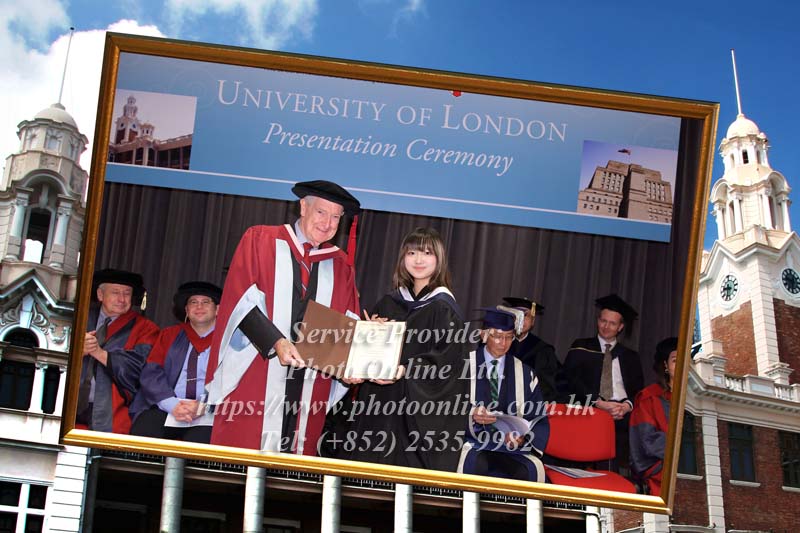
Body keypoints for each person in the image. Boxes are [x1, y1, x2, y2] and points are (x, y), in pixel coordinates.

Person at [205, 180, 361, 455]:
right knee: (244, 461)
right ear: (303, 207)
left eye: (336, 217)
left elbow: (347, 325)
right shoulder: (260, 240)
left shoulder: (340, 266)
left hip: (309, 385)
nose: (327, 223)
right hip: (259, 370)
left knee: (293, 466)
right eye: (321, 212)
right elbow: (239, 302)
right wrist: (276, 341)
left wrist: (357, 363)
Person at [324, 227, 470, 471]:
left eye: (427, 253)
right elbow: (364, 358)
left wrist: (404, 370)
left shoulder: (444, 309)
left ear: (439, 259)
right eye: (412, 253)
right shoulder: (389, 303)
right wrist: (369, 333)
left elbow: (447, 363)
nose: (418, 259)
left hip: (415, 415)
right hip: (379, 408)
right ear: (403, 258)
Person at [458, 308, 549, 482]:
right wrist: (471, 414)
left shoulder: (525, 373)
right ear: (484, 335)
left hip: (511, 447)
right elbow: (446, 404)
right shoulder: (463, 366)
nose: (504, 343)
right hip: (473, 441)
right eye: (498, 336)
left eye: (509, 337)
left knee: (530, 470)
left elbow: (538, 417)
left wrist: (523, 438)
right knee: (476, 465)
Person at [130, 281, 222, 443]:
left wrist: (204, 406)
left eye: (206, 302)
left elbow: (231, 382)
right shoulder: (169, 335)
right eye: (193, 302)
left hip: (208, 411)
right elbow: (151, 373)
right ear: (186, 310)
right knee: (144, 433)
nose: (199, 307)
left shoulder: (228, 341)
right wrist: (172, 405)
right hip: (168, 405)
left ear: (218, 309)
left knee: (200, 444)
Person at [561, 293, 644, 471]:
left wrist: (627, 406)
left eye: (612, 323)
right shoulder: (581, 347)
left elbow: (638, 390)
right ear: (598, 320)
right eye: (603, 321)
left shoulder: (630, 356)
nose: (606, 327)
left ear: (620, 327)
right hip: (589, 408)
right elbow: (570, 380)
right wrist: (598, 402)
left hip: (622, 414)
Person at [76, 269, 159, 434]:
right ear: (100, 295)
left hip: (114, 409)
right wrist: (76, 351)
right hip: (68, 402)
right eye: (115, 292)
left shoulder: (146, 328)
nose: (122, 299)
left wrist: (98, 352)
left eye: (127, 293)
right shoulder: (79, 318)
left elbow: (140, 370)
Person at [629, 337, 678, 496]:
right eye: (675, 360)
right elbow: (647, 441)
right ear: (665, 365)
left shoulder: (695, 397)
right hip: (661, 467)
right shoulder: (649, 398)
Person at [499, 296, 560, 402]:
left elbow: (548, 387)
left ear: (533, 321)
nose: (521, 320)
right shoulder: (497, 344)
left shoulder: (543, 350)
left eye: (526, 315)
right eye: (517, 315)